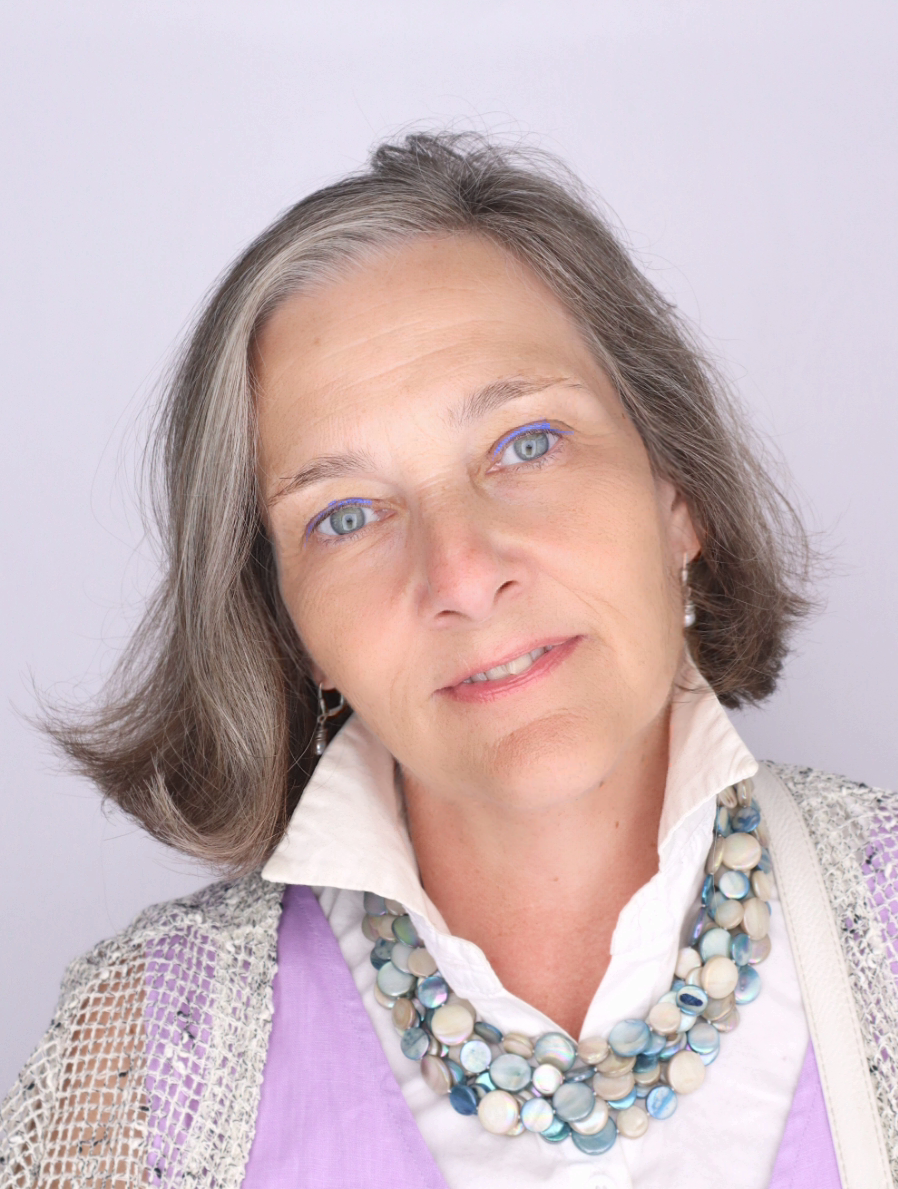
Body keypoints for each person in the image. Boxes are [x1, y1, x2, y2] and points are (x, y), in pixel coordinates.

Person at [1, 132, 895, 1189]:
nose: (462, 573)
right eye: (345, 514)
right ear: (288, 626)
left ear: (677, 496)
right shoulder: (140, 1067)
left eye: (525, 444)